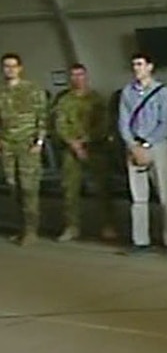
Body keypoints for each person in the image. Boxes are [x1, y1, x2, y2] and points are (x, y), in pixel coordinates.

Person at [117, 53, 167, 254]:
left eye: (140, 64)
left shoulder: (162, 92)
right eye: (134, 64)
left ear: (150, 67)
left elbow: (165, 123)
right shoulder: (127, 92)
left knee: (165, 194)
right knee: (138, 197)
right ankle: (140, 240)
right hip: (134, 146)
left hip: (157, 145)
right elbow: (123, 121)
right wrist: (132, 145)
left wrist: (145, 144)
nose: (137, 68)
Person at [54, 63, 116, 242]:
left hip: (95, 149)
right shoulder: (64, 100)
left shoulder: (97, 99)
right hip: (70, 150)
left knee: (103, 188)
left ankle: (108, 225)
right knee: (69, 190)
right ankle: (71, 226)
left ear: (86, 76)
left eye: (80, 75)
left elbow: (103, 125)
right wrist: (73, 143)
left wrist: (85, 140)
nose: (77, 78)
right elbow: (60, 124)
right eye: (73, 75)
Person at [0, 53, 48, 245]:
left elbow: (42, 116)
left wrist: (39, 142)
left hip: (28, 145)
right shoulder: (1, 91)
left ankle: (31, 230)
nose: (9, 69)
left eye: (13, 66)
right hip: (7, 146)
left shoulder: (32, 89)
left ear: (20, 68)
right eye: (6, 66)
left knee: (29, 187)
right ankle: (23, 227)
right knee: (14, 187)